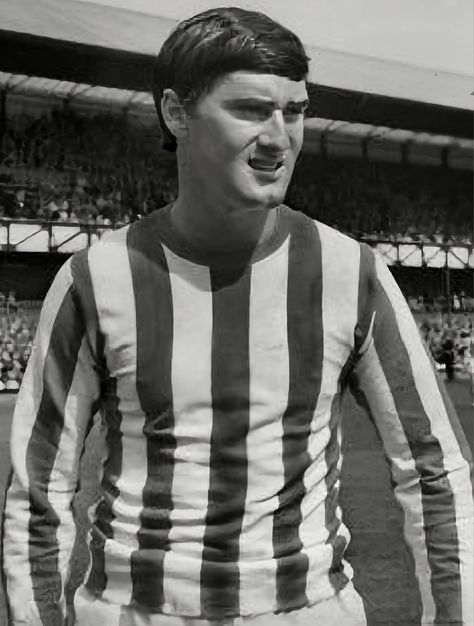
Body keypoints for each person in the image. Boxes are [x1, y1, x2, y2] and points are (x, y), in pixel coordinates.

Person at [2, 7, 473, 626]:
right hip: (134, 612)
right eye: (250, 109)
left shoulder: (351, 273)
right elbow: (40, 496)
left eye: (296, 110)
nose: (280, 136)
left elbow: (436, 477)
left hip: (308, 612)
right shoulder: (96, 278)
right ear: (176, 113)